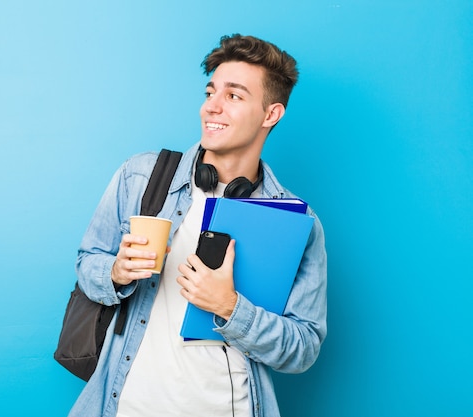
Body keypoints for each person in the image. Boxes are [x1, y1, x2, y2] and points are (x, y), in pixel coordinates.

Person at [68, 34, 327, 417]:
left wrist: (229, 306)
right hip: (127, 406)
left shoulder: (295, 221)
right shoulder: (140, 176)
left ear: (270, 115)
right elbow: (87, 262)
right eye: (211, 92)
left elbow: (303, 347)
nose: (212, 107)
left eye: (234, 96)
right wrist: (116, 273)